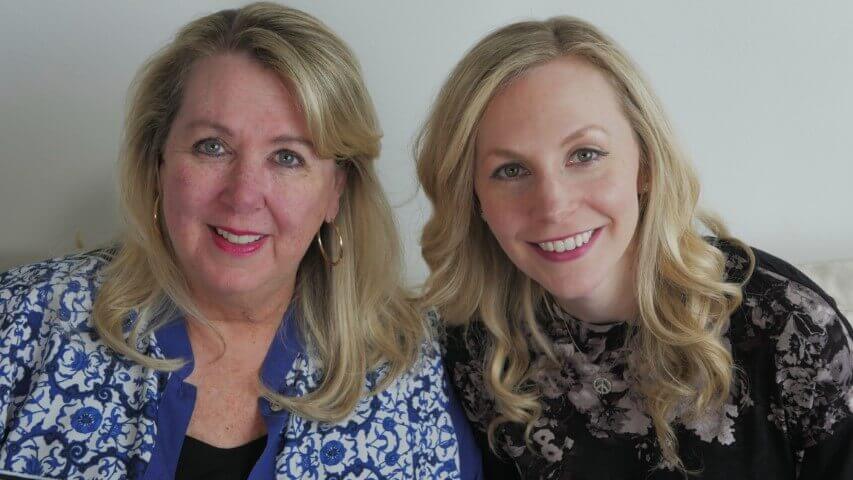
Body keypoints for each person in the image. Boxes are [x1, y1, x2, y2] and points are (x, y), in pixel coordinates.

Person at [0, 3, 481, 479]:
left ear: (337, 190)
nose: (244, 195)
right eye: (212, 146)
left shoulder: (415, 367)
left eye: (288, 157)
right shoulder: (20, 320)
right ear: (157, 164)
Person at [416, 16, 852, 480]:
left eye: (584, 155)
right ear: (474, 198)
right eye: (510, 170)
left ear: (644, 165)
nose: (553, 206)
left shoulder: (788, 325)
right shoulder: (472, 348)